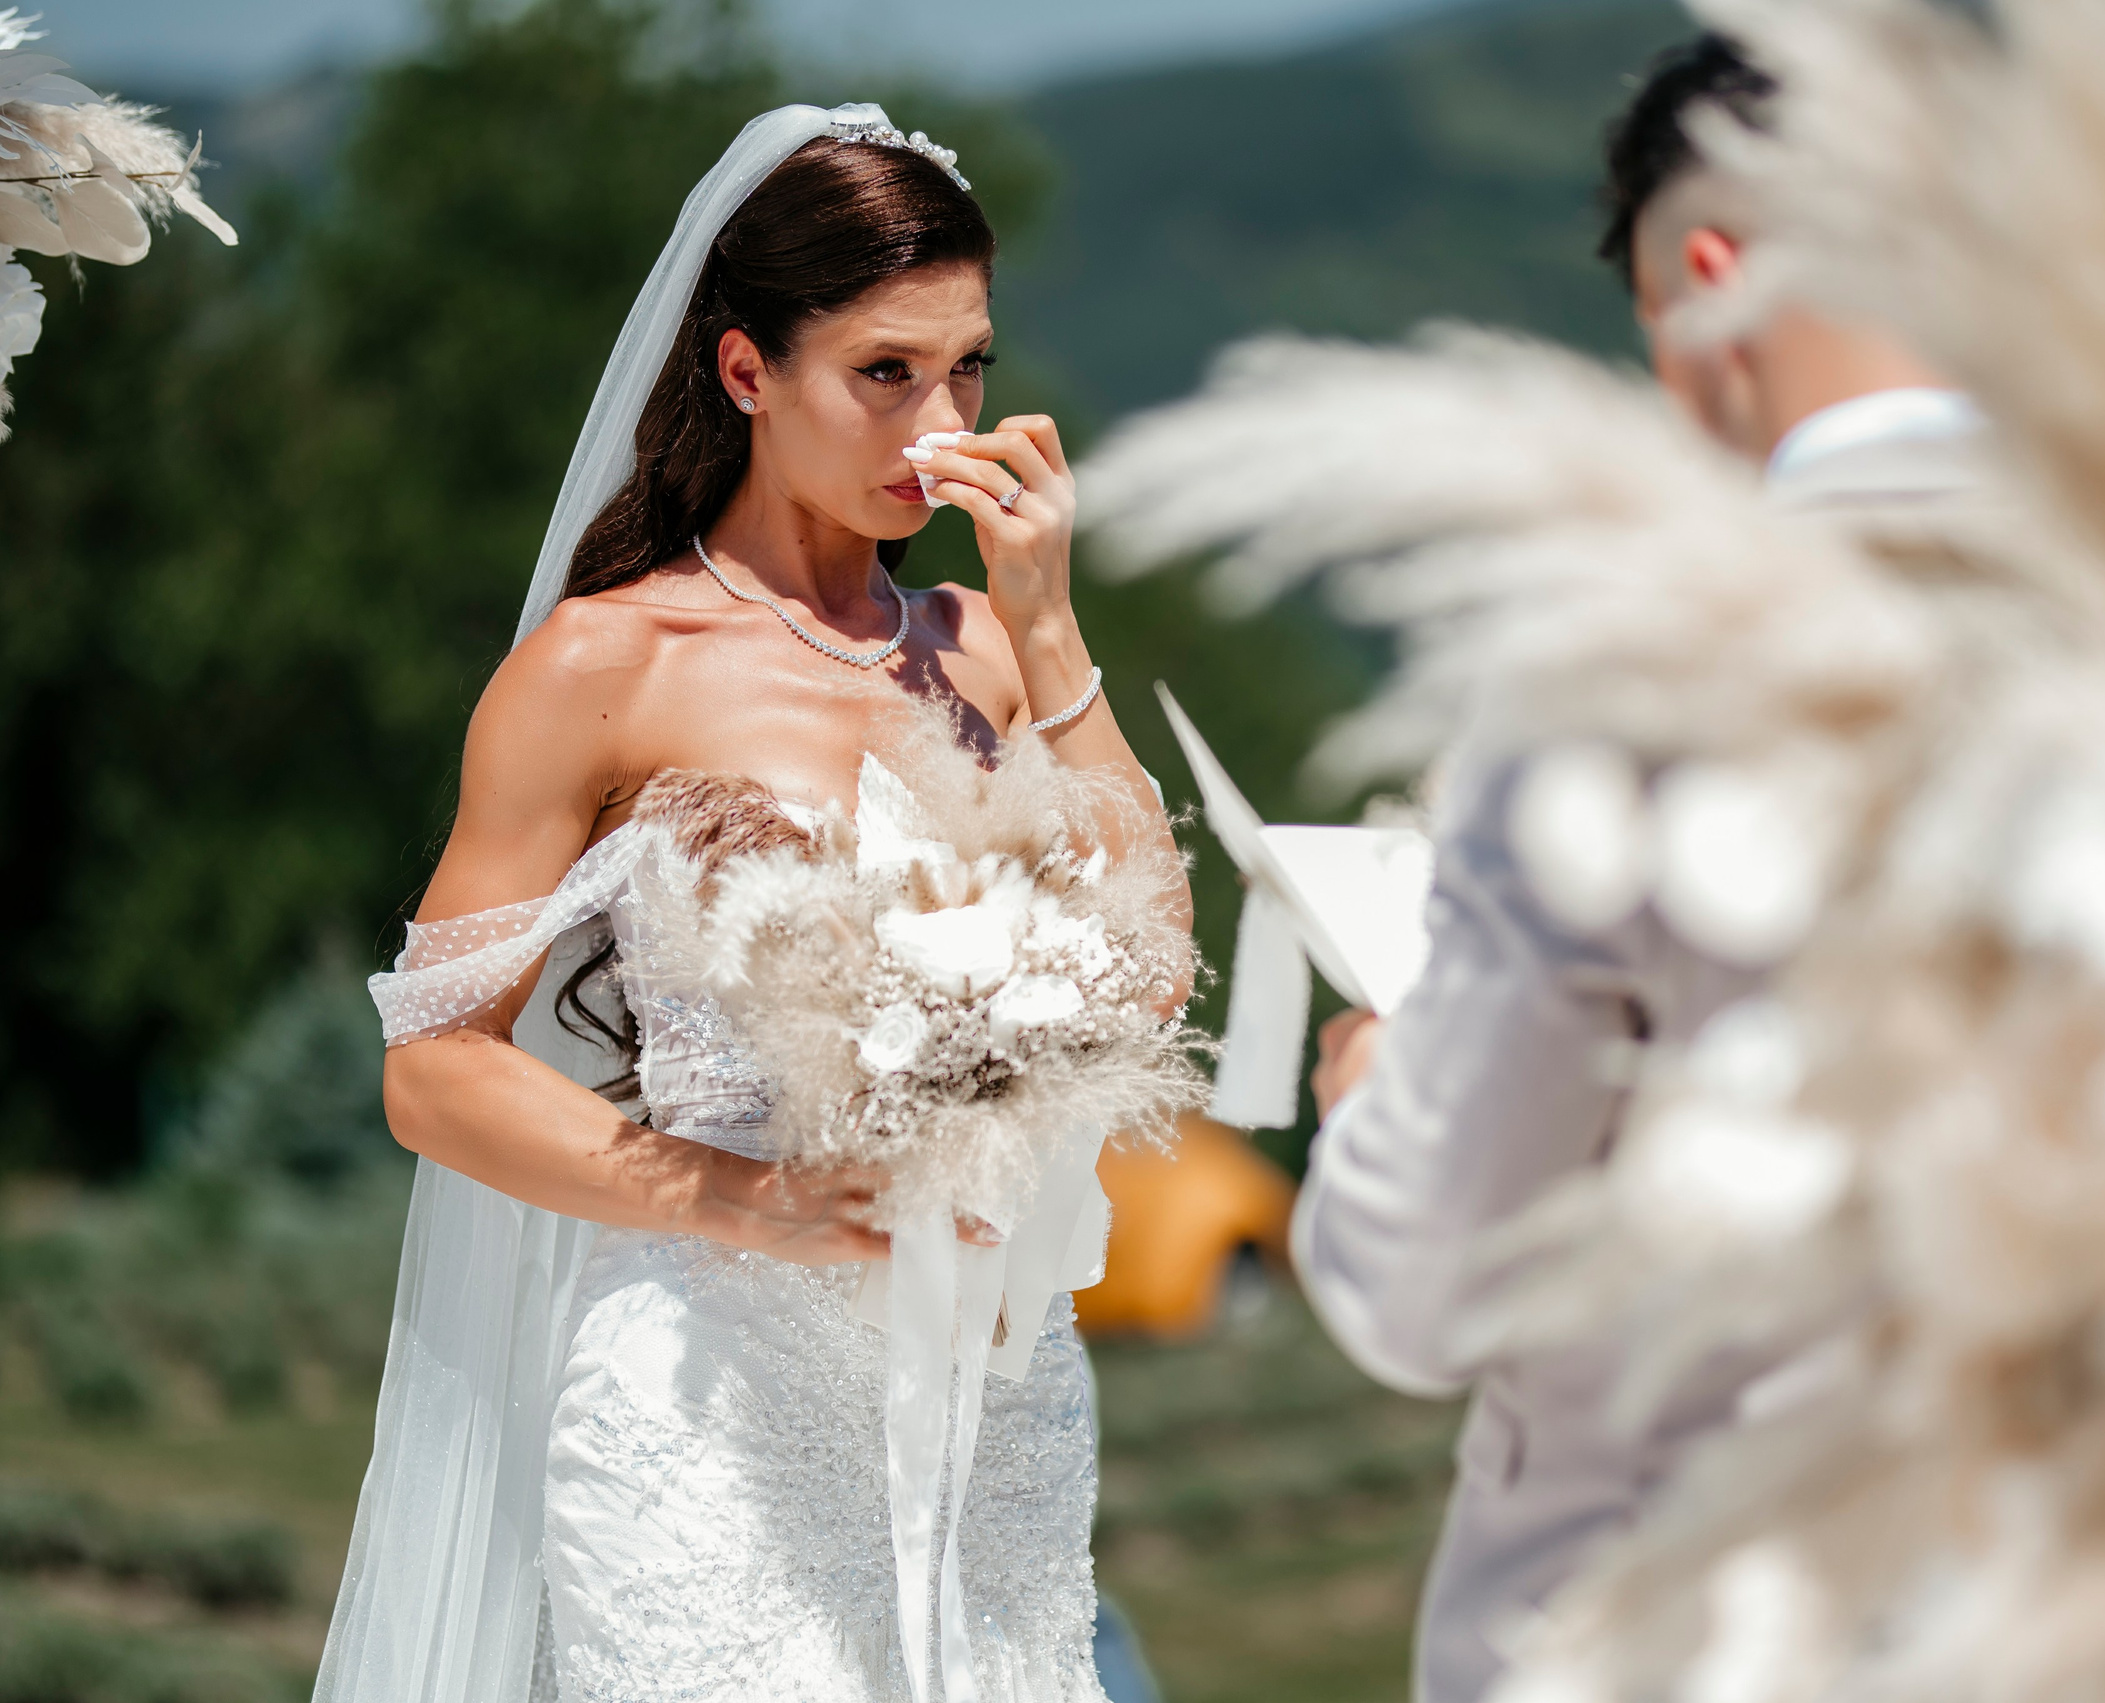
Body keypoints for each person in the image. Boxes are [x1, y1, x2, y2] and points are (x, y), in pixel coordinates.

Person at [314, 105, 1187, 1703]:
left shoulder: (981, 651)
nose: (940, 426)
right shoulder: (603, 667)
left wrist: (1049, 631)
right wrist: (737, 1199)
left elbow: (1148, 977)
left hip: (984, 1389)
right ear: (742, 373)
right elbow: (434, 1067)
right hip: (702, 1410)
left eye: (970, 368)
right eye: (885, 373)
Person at [1289, 34, 1987, 1703]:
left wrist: (1379, 1085)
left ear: (1708, 274)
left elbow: (1429, 1283)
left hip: (1690, 1622)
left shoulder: (1637, 670)